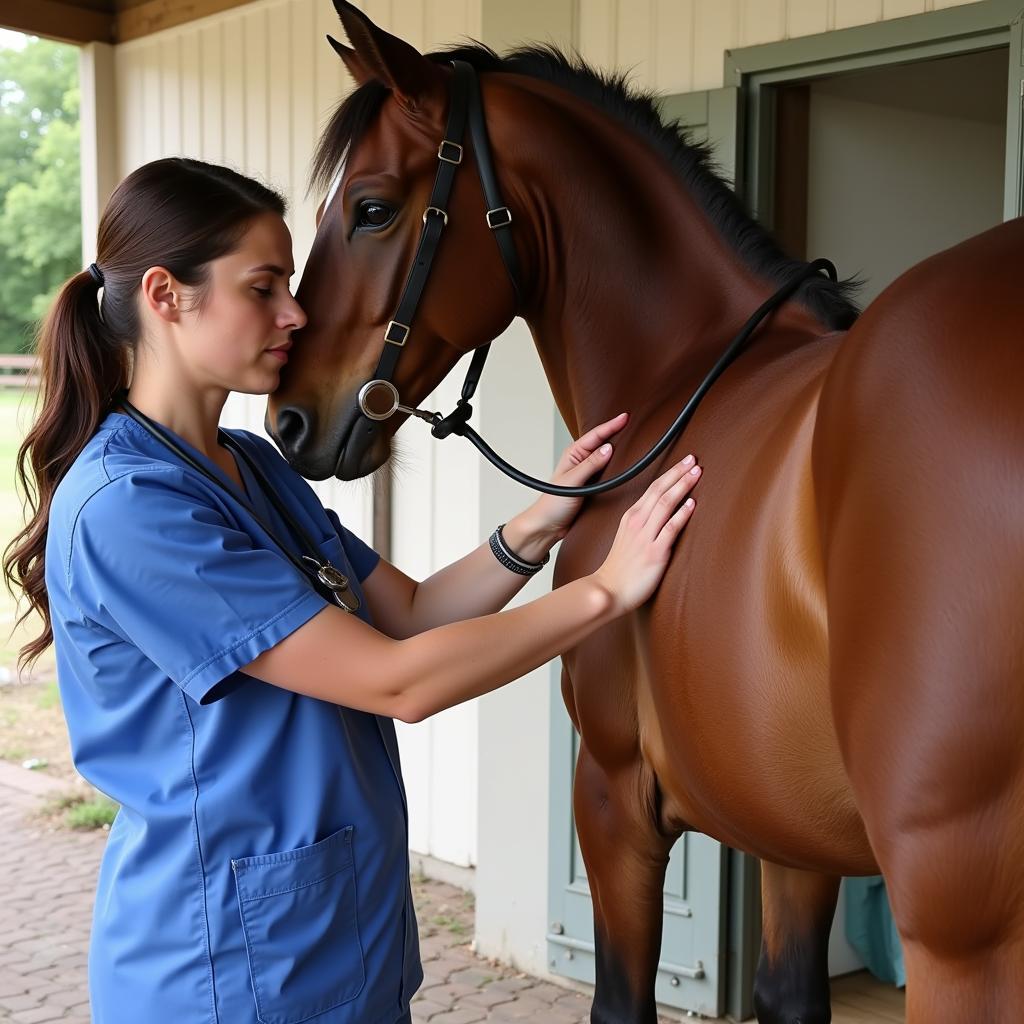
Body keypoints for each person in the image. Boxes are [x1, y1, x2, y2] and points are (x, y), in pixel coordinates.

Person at [3, 157, 701, 1024]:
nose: (296, 313)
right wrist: (603, 593)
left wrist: (537, 526)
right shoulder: (129, 509)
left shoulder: (248, 464)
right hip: (224, 970)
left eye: (289, 284)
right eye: (264, 287)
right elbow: (396, 681)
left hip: (336, 940)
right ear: (166, 294)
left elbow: (408, 615)